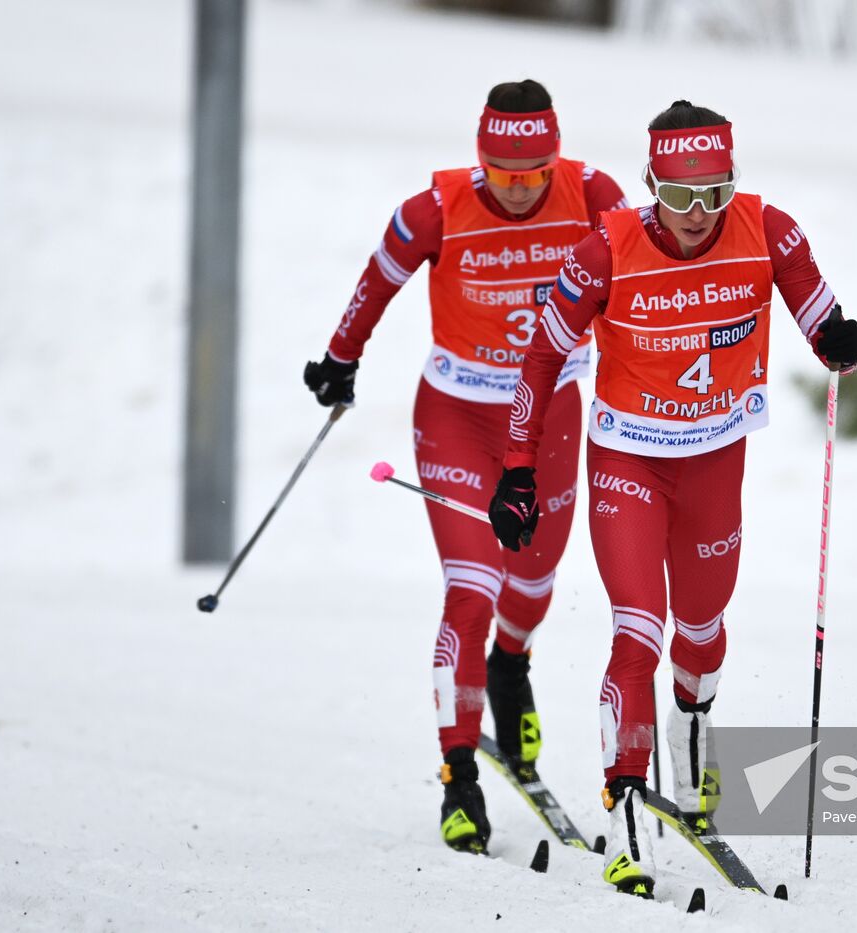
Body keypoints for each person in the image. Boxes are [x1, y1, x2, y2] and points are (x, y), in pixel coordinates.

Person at [489, 100, 857, 894]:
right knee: (640, 631)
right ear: (649, 184)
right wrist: (520, 463)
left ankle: (690, 733)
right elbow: (541, 355)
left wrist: (837, 337)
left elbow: (813, 303)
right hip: (628, 463)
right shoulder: (606, 249)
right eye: (679, 196)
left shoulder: (769, 228)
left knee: (702, 631)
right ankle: (626, 803)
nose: (697, 216)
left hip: (713, 461)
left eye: (715, 195)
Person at [303, 79, 627, 855]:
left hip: (548, 411)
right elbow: (375, 283)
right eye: (502, 174)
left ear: (554, 159)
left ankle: (510, 665)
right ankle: (459, 774)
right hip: (456, 413)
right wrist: (340, 358)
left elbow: (647, 276)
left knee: (534, 579)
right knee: (473, 581)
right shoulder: (437, 209)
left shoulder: (591, 194)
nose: (517, 190)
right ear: (480, 159)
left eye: (533, 173)